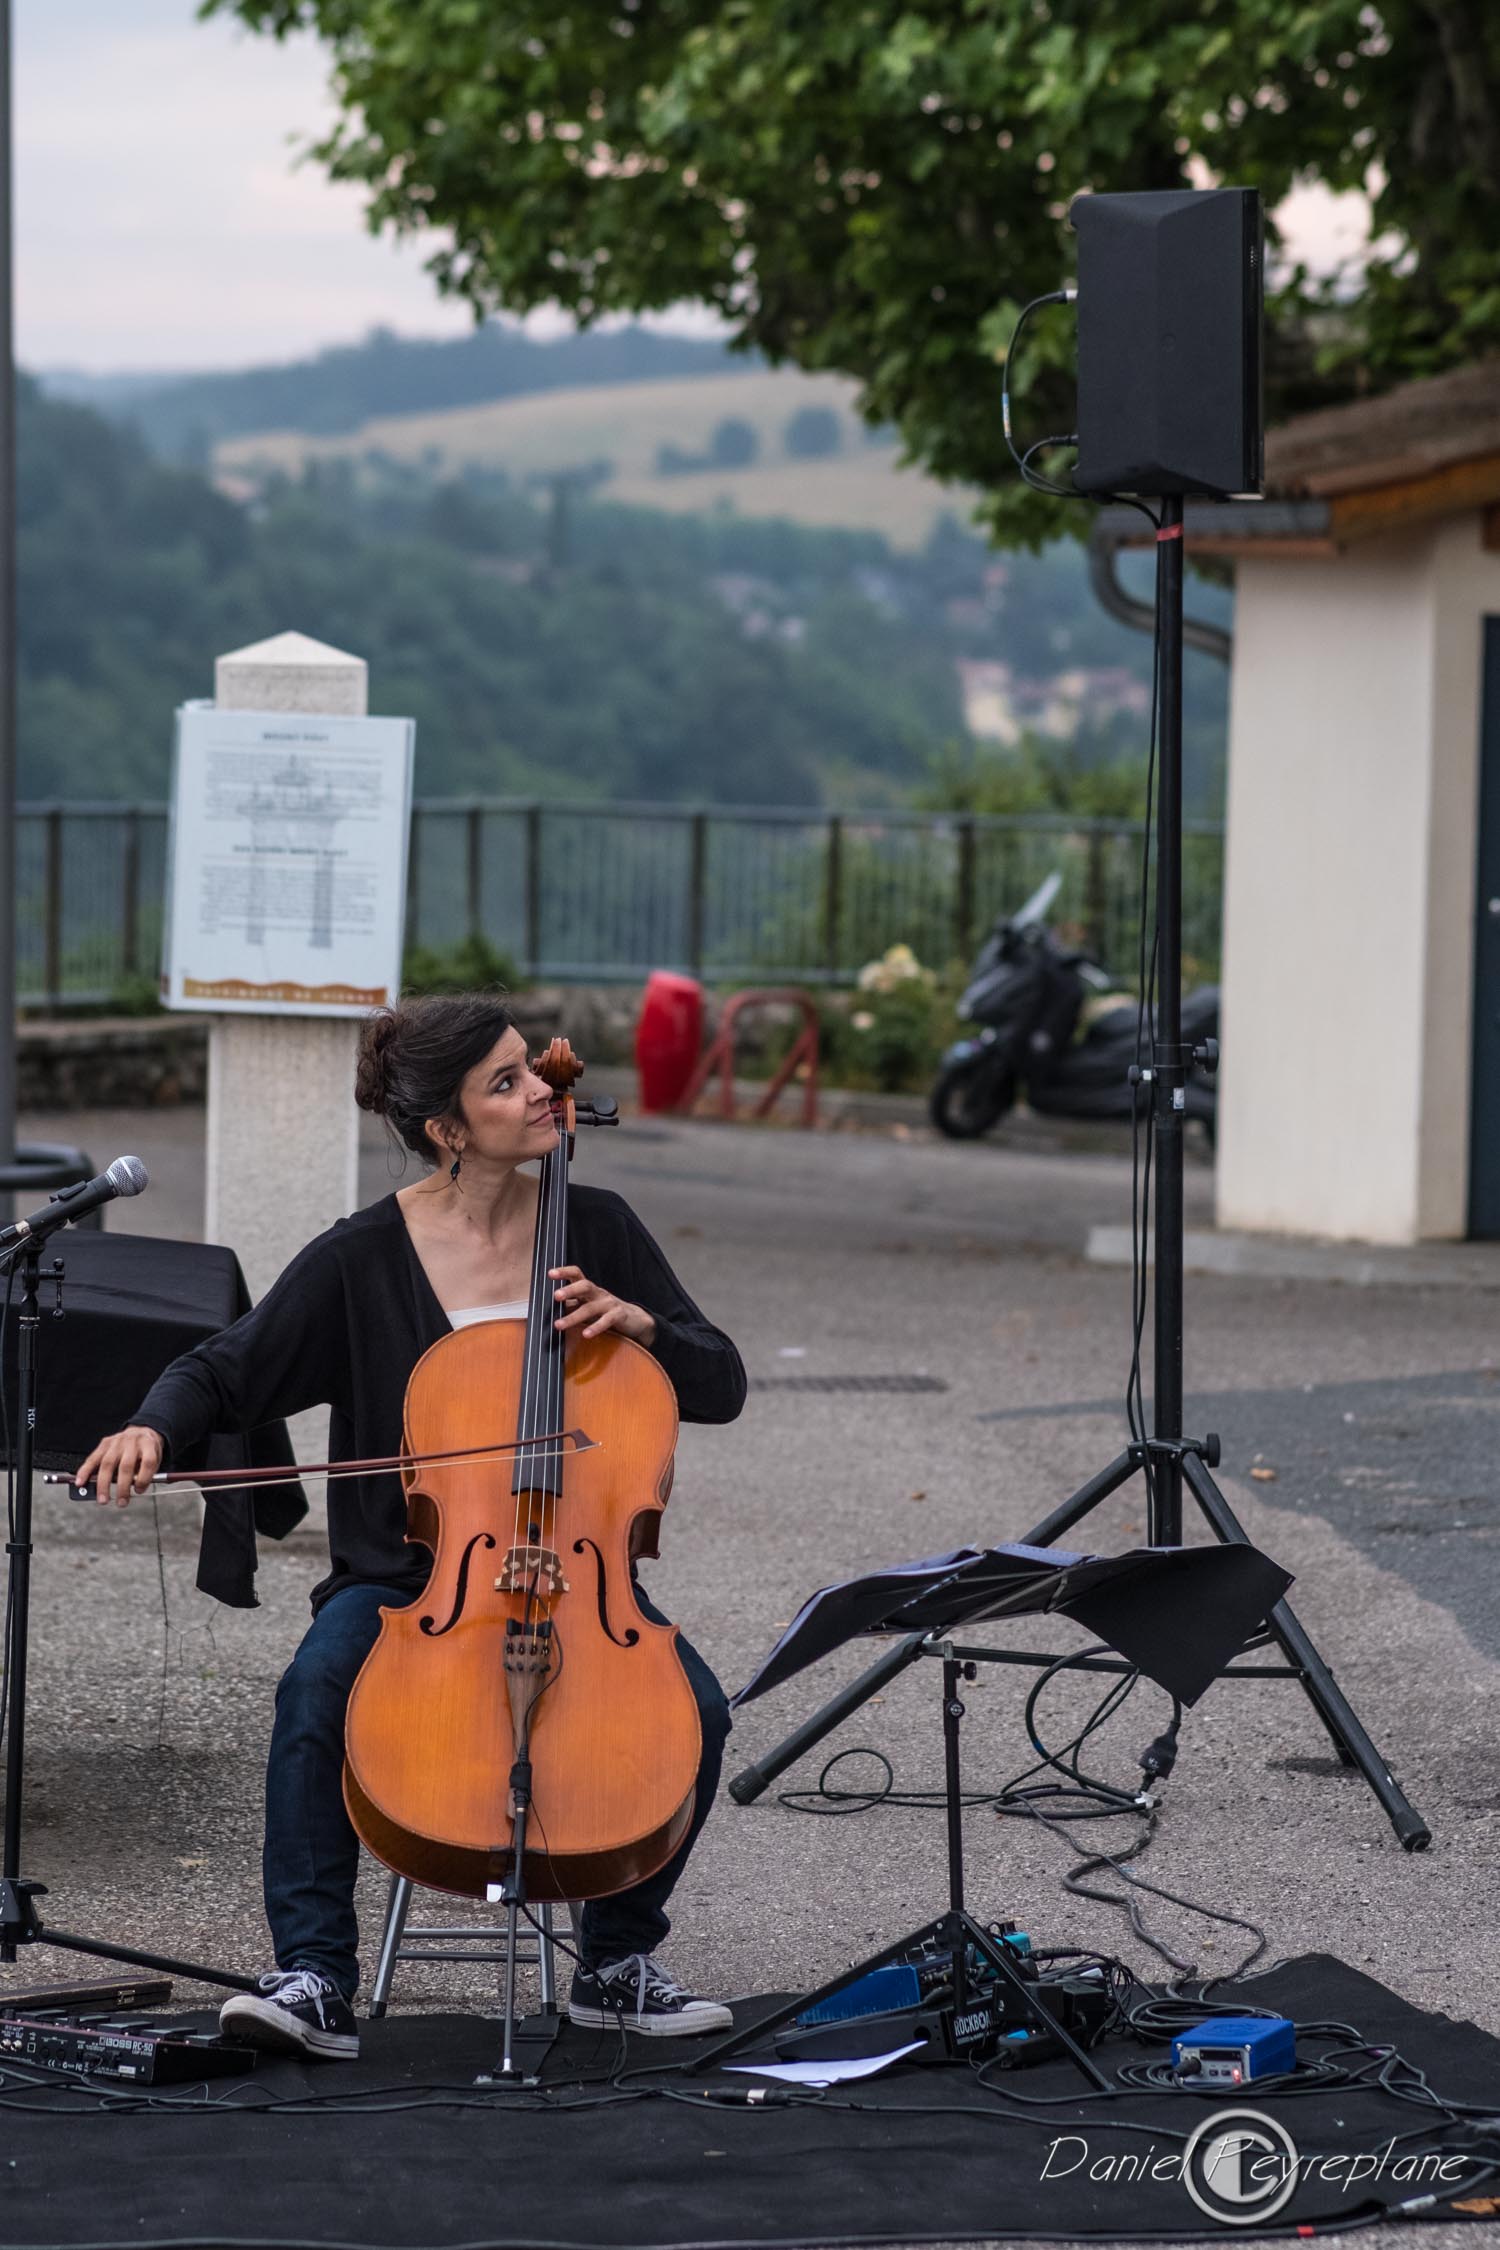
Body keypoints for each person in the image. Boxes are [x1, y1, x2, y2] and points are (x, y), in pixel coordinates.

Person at [76, 993, 747, 2062]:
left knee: (697, 1712)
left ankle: (615, 1964)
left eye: (536, 1070)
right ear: (445, 1127)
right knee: (315, 1695)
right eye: (508, 1082)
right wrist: (155, 1428)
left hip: (580, 1575)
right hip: (410, 1577)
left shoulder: (600, 1228)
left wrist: (644, 1326)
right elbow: (226, 1367)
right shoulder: (361, 1260)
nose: (541, 1094)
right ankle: (314, 1976)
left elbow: (720, 1385)